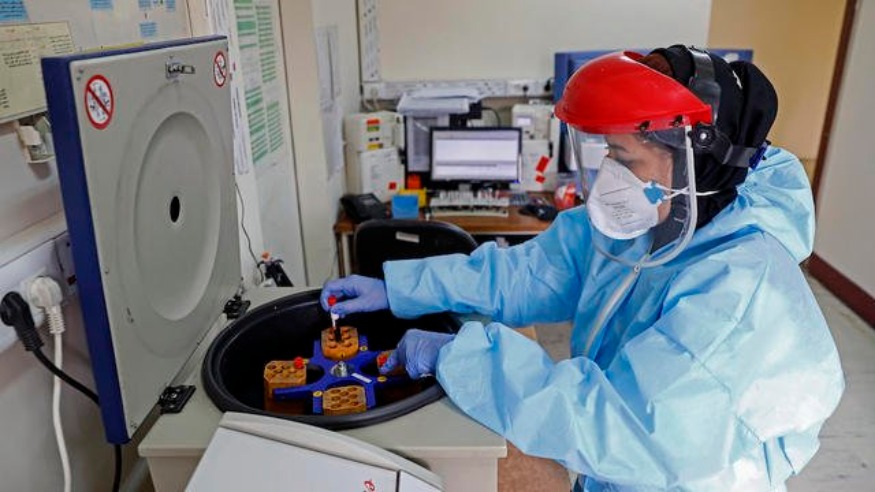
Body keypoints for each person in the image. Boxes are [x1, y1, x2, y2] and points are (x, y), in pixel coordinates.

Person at [321, 45, 845, 491]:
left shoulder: (741, 290)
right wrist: (402, 286)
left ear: (692, 160)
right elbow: (528, 273)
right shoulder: (649, 219)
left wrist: (464, 358)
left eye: (626, 158)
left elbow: (623, 423)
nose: (612, 174)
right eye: (609, 153)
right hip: (611, 469)